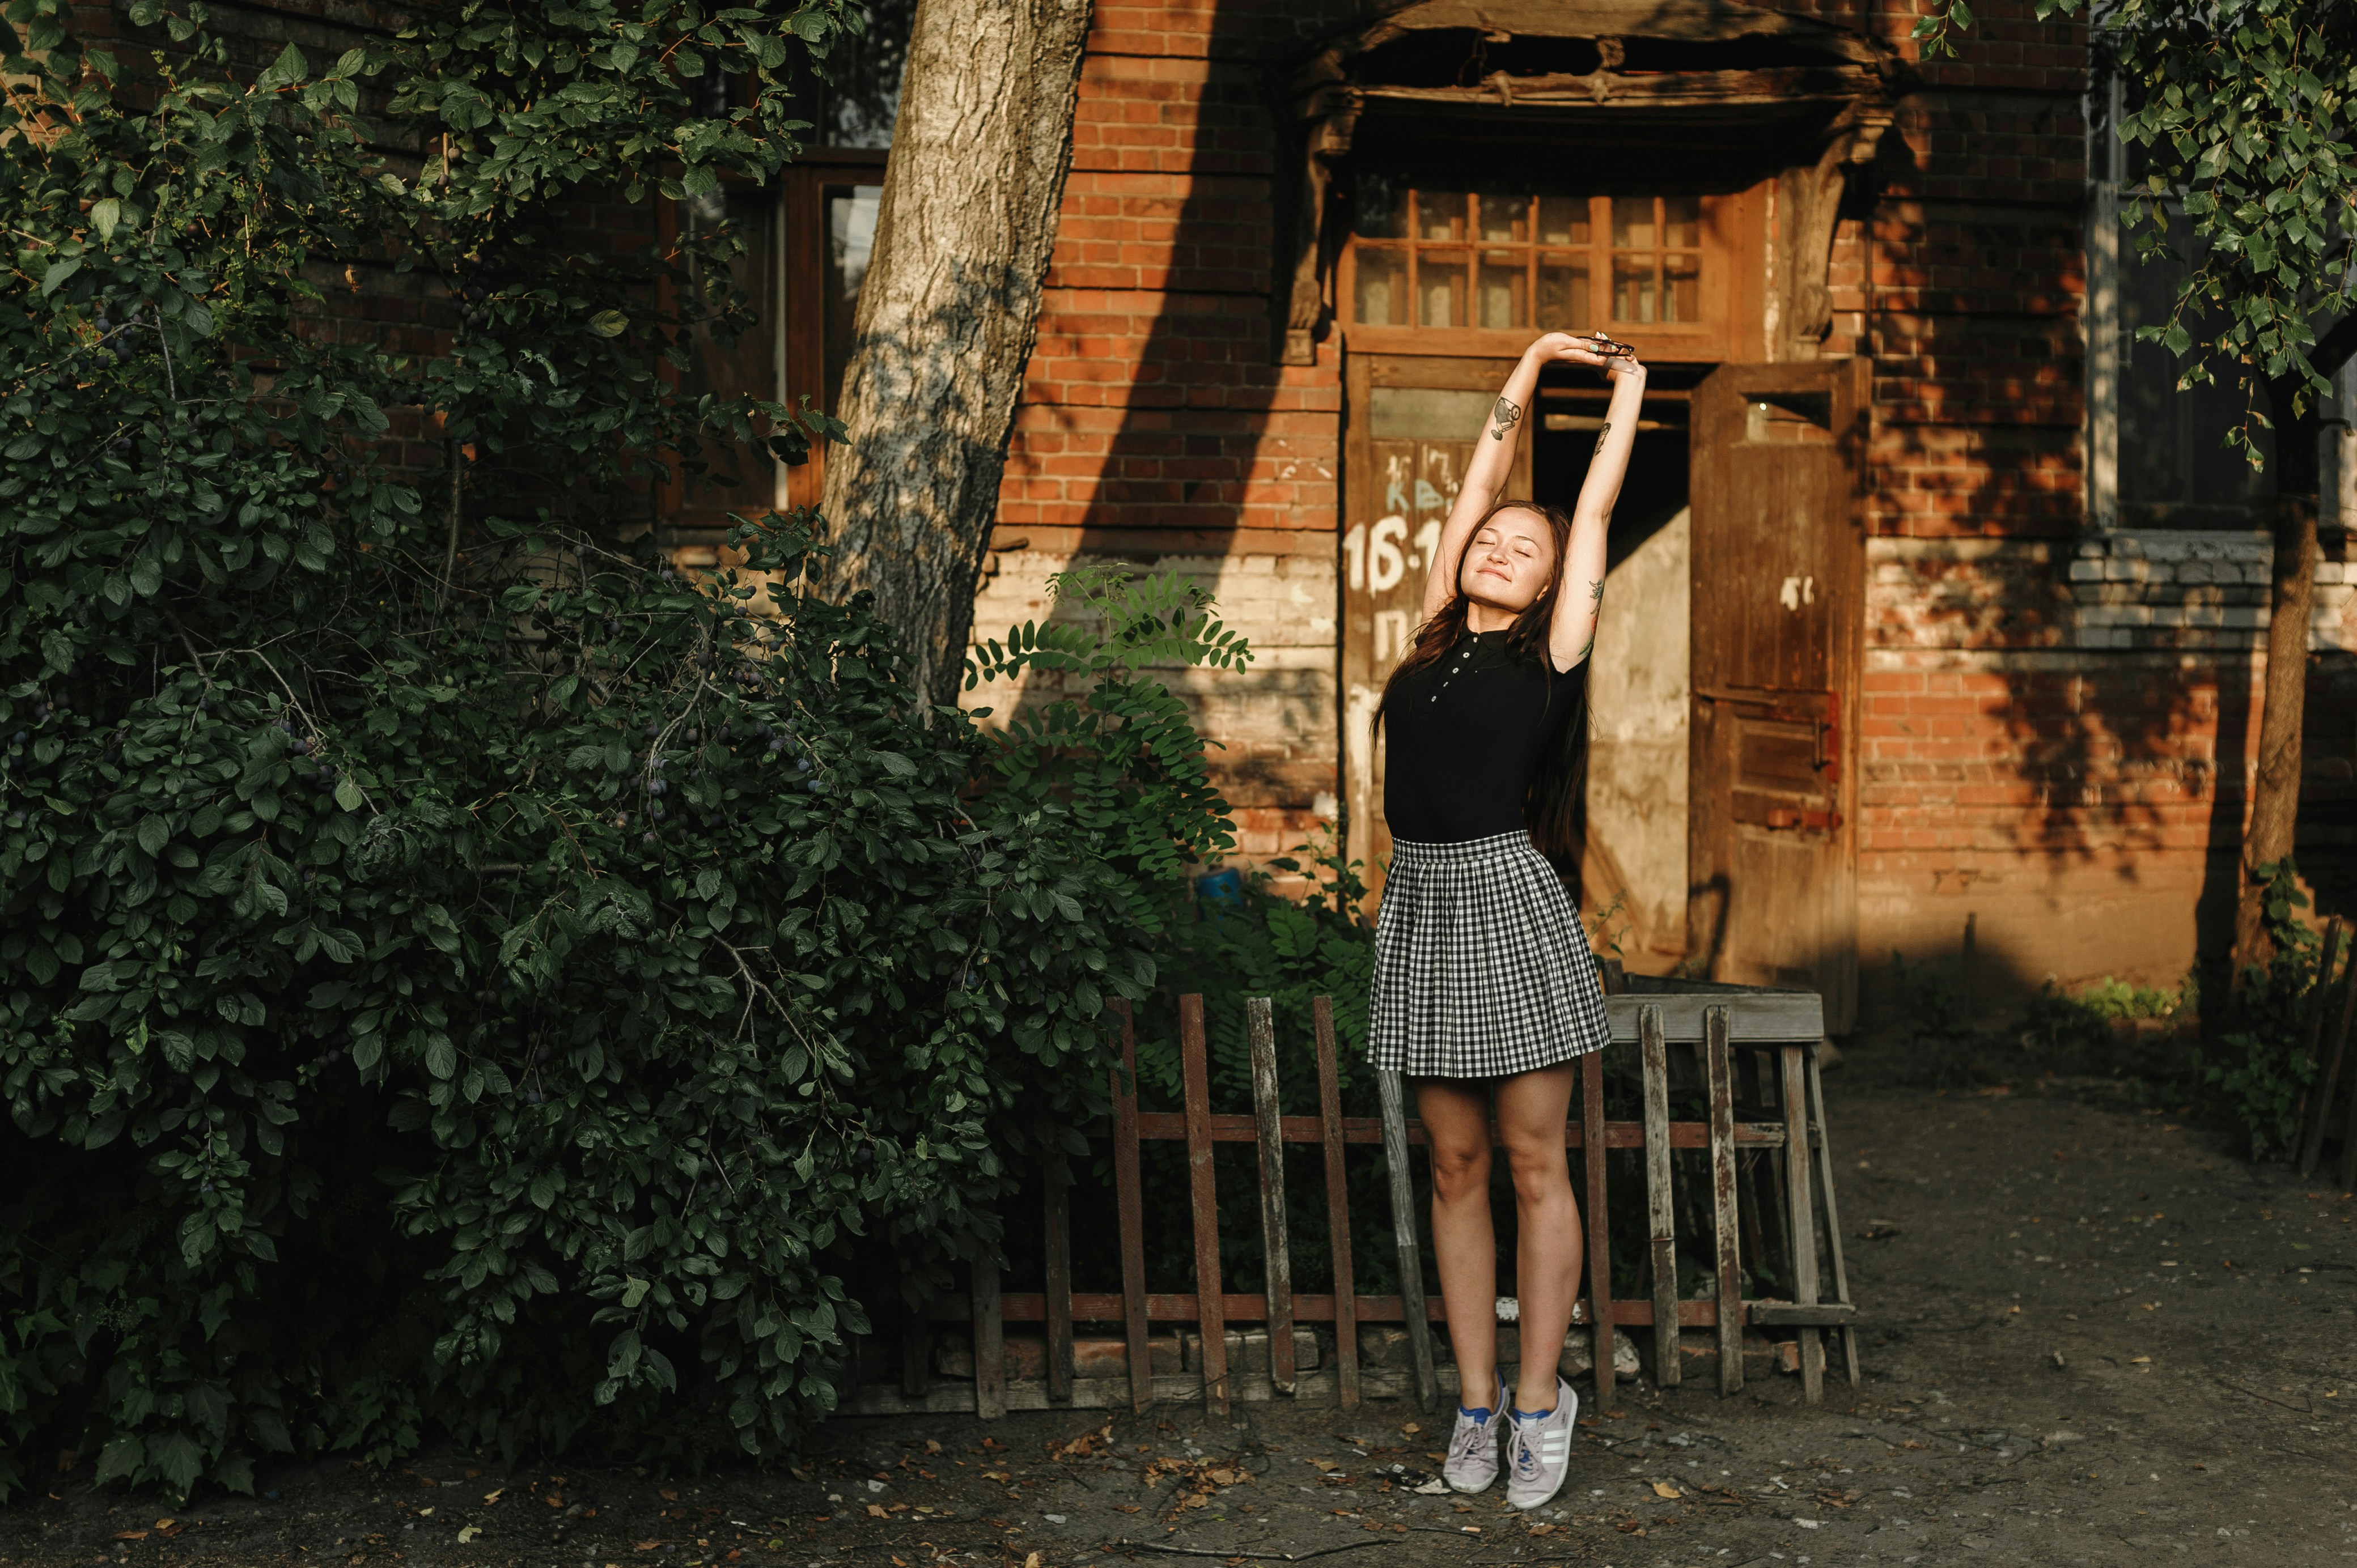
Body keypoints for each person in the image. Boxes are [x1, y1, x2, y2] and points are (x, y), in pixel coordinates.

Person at [1365, 328, 1646, 1511]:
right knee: (1456, 1163)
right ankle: (1476, 1402)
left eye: (1522, 548)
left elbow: (1589, 514)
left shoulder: (1553, 656)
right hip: (1420, 899)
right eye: (1489, 539)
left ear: (1549, 586)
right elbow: (1476, 481)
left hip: (1505, 898)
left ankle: (1542, 1402)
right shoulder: (1431, 635)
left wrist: (1626, 389)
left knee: (1536, 1162)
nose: (1498, 545)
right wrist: (1527, 365)